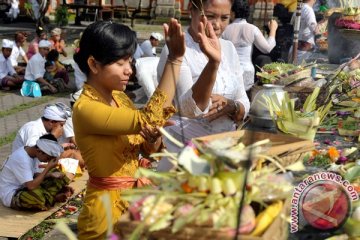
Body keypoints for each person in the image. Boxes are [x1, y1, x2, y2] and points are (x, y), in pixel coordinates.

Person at [72, 19, 185, 239]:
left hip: (134, 201)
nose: (129, 71)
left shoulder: (121, 98)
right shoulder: (85, 108)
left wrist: (152, 138)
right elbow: (148, 118)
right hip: (105, 211)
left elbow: (147, 148)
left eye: (130, 61)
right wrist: (174, 59)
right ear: (94, 65)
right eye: (121, 63)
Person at [156, 0, 250, 171]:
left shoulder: (228, 48)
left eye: (224, 18)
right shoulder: (176, 49)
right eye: (210, 16)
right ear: (191, 10)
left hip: (225, 148)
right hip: (184, 152)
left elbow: (243, 98)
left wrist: (232, 106)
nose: (217, 25)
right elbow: (189, 109)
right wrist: (213, 63)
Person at [0, 134, 73, 211]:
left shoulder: (34, 153)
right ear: (39, 151)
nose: (48, 161)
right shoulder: (21, 158)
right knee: (37, 198)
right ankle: (54, 198)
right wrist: (47, 168)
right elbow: (31, 186)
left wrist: (51, 174)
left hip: (26, 186)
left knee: (57, 174)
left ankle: (51, 196)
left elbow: (34, 174)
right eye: (48, 158)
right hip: (12, 194)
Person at [222, 0, 278, 91]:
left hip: (229, 72)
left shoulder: (225, 29)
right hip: (247, 73)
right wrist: (273, 29)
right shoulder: (252, 29)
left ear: (232, 12)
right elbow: (268, 48)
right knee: (245, 100)